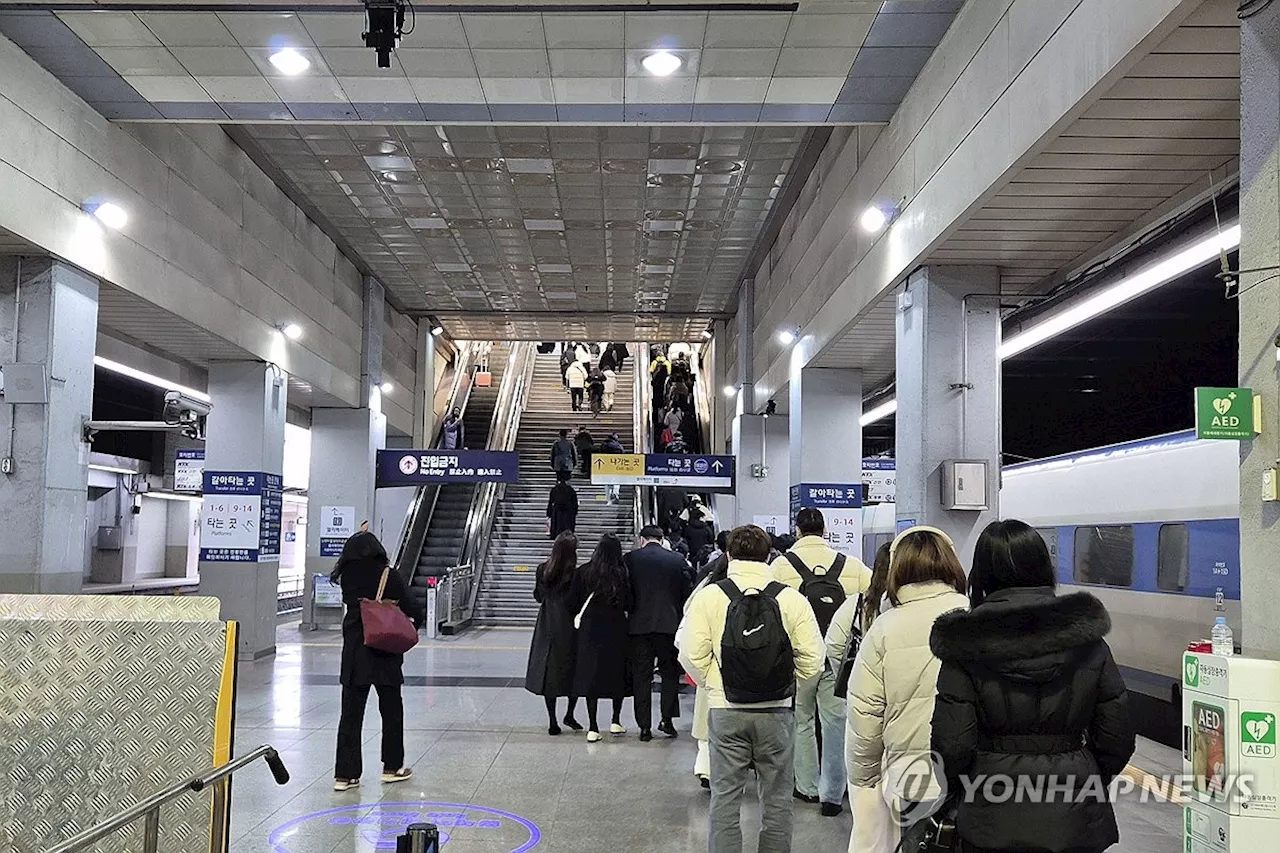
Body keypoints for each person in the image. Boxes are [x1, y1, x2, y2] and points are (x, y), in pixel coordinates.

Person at [929, 520, 1136, 853]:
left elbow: (952, 746)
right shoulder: (1087, 640)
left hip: (990, 815)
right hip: (1076, 816)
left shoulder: (965, 646)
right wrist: (1085, 772)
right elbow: (1118, 735)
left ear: (981, 575)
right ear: (1043, 566)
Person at [678, 525, 825, 853]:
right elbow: (814, 661)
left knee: (725, 801)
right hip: (777, 713)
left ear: (728, 555)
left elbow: (688, 653)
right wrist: (789, 687)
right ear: (769, 555)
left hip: (726, 712)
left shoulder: (710, 597)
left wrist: (713, 684)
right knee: (777, 802)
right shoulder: (791, 599)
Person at [846, 527, 969, 853]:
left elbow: (865, 714)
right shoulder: (979, 620)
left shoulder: (885, 628)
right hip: (974, 778)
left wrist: (864, 779)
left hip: (910, 778)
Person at [771, 508, 873, 817]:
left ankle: (807, 786)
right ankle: (833, 793)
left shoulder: (780, 566)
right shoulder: (852, 566)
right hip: (837, 659)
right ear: (825, 531)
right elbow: (869, 603)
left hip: (798, 658)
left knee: (801, 720)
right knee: (835, 723)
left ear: (798, 531)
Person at [331, 531, 423, 791]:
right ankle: (392, 767)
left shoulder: (347, 578)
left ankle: (344, 775)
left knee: (350, 715)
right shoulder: (388, 575)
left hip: (353, 656)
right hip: (384, 653)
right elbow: (413, 607)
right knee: (392, 712)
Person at [625, 525, 691, 741]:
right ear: (662, 539)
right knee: (669, 674)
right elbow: (685, 593)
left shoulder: (631, 559)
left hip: (638, 627)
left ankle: (644, 727)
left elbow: (626, 591)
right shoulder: (677, 560)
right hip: (668, 626)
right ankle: (667, 720)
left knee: (641, 676)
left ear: (642, 539)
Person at [573, 534, 634, 742]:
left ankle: (592, 727)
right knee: (617, 674)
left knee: (592, 677)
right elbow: (630, 603)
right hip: (616, 629)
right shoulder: (622, 573)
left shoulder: (584, 572)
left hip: (590, 630)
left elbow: (574, 601)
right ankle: (615, 721)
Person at [525, 532, 582, 736]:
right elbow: (578, 601)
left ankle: (553, 720)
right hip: (570, 624)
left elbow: (538, 597)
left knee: (549, 671)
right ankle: (570, 714)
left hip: (548, 622)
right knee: (573, 669)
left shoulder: (543, 570)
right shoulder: (575, 574)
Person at [546, 469, 578, 539]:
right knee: (567, 525)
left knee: (557, 526)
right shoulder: (571, 490)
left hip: (557, 511)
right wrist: (575, 512)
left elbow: (550, 502)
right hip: (568, 511)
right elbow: (574, 503)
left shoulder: (555, 489)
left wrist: (549, 513)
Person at [600, 433, 625, 504]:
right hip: (616, 466)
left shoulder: (604, 445)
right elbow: (623, 454)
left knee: (607, 483)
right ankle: (615, 492)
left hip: (606, 467)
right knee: (616, 480)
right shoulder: (618, 445)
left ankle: (608, 499)